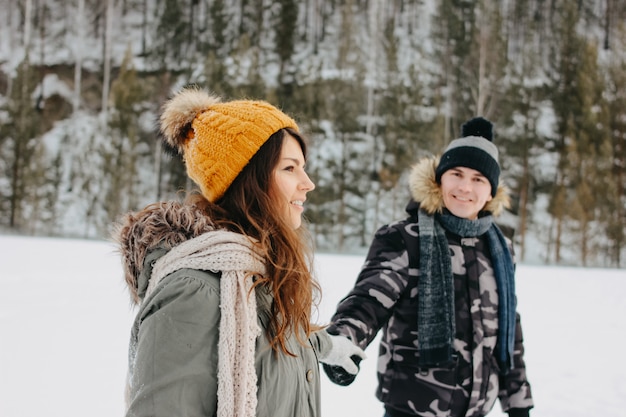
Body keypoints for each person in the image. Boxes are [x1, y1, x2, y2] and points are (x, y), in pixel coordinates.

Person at [113, 87, 365, 417]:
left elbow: (276, 337)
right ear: (249, 180)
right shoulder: (195, 290)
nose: (308, 183)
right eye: (290, 168)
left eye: (303, 167)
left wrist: (329, 347)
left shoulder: (260, 274)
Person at [323, 117, 534, 417]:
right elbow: (370, 299)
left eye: (478, 179)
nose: (464, 186)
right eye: (456, 174)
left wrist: (518, 403)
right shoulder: (404, 237)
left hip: (475, 410)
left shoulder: (500, 250)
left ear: (491, 192)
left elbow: (508, 329)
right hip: (411, 407)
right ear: (439, 180)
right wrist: (344, 338)